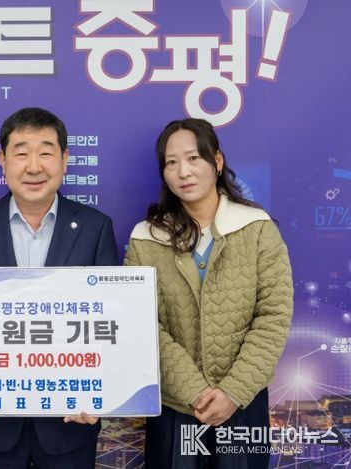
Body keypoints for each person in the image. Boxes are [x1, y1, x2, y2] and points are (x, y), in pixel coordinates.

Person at [0, 107, 118, 468]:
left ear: (64, 160)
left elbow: (109, 319)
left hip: (71, 421)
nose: (34, 166)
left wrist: (100, 394)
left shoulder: (95, 227)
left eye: (46, 152)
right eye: (22, 153)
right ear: (2, 160)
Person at [125, 118, 293, 468]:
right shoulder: (145, 238)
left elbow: (273, 317)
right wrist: (194, 391)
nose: (183, 172)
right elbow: (141, 325)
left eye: (193, 158)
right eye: (171, 163)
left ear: (217, 161)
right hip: (175, 406)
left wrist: (232, 391)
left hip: (243, 404)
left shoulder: (257, 229)